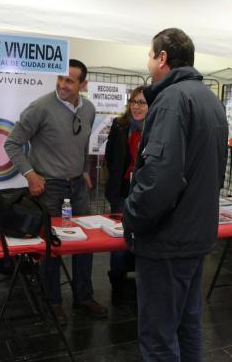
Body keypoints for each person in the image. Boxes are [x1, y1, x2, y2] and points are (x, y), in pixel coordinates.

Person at [122, 28, 228, 361]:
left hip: (168, 239)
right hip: (195, 233)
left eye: (150, 54)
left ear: (162, 58)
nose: (148, 60)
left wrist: (131, 215)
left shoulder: (171, 100)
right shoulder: (209, 98)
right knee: (188, 325)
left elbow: (159, 179)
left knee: (158, 336)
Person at [4, 59, 107, 325]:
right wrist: (30, 174)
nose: (62, 84)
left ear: (83, 84)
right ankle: (52, 302)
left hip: (76, 187)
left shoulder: (90, 109)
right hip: (49, 188)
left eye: (70, 81)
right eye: (61, 78)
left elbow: (81, 144)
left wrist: (83, 169)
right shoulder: (40, 107)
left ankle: (84, 297)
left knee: (86, 243)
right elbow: (12, 143)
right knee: (52, 247)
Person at [103, 85, 147, 305]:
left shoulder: (156, 128)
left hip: (145, 193)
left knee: (143, 236)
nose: (137, 107)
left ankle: (142, 279)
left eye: (142, 102)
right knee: (119, 236)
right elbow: (110, 156)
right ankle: (117, 278)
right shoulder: (119, 126)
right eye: (134, 102)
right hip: (121, 190)